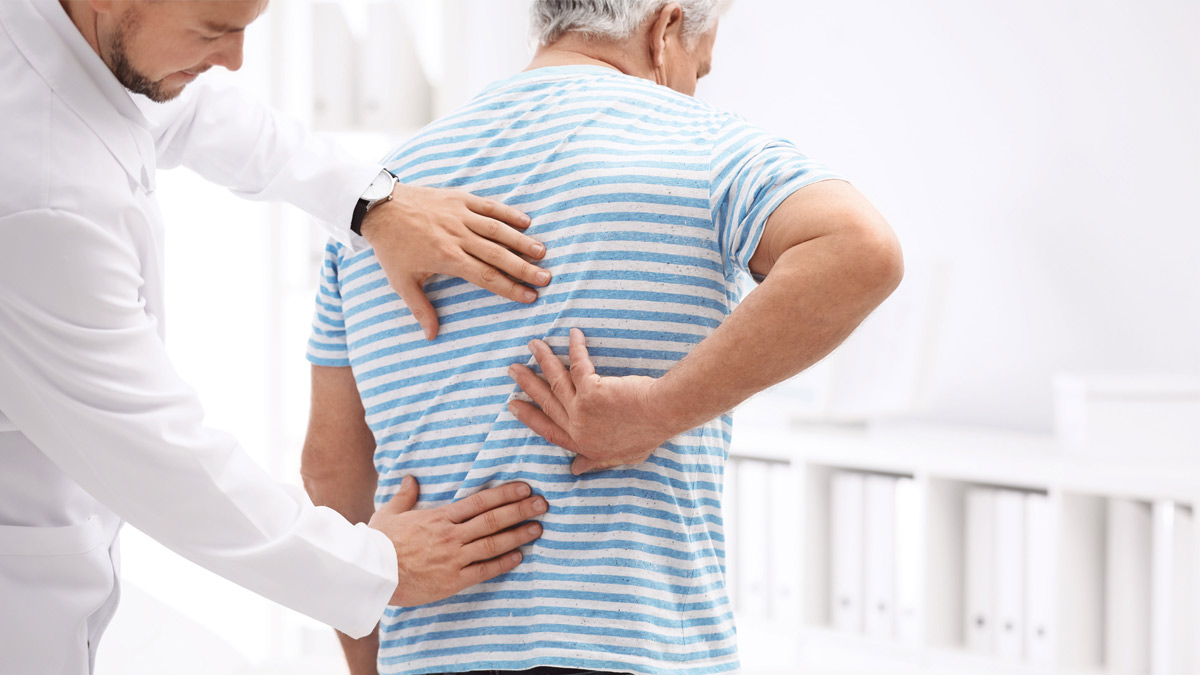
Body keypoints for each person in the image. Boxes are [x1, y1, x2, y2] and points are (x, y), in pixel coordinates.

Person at [301, 0, 904, 673]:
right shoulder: (707, 146)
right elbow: (860, 248)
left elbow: (330, 468)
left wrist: (368, 664)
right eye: (698, 70)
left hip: (428, 655)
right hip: (639, 654)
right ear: (665, 30)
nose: (694, 89)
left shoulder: (380, 207)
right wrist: (655, 412)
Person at [0, 1, 554, 673]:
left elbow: (195, 113)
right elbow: (164, 463)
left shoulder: (78, 38)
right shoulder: (40, 195)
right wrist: (378, 566)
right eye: (214, 31)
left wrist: (372, 202)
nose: (234, 60)